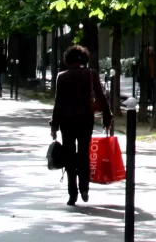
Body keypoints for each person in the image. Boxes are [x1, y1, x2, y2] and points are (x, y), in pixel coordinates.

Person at [50, 45, 112, 206]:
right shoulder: (91, 74)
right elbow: (102, 96)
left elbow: (58, 103)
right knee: (84, 153)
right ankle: (84, 188)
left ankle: (72, 193)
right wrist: (107, 117)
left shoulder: (62, 77)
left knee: (69, 155)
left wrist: (54, 126)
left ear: (67, 60)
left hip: (67, 121)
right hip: (85, 120)